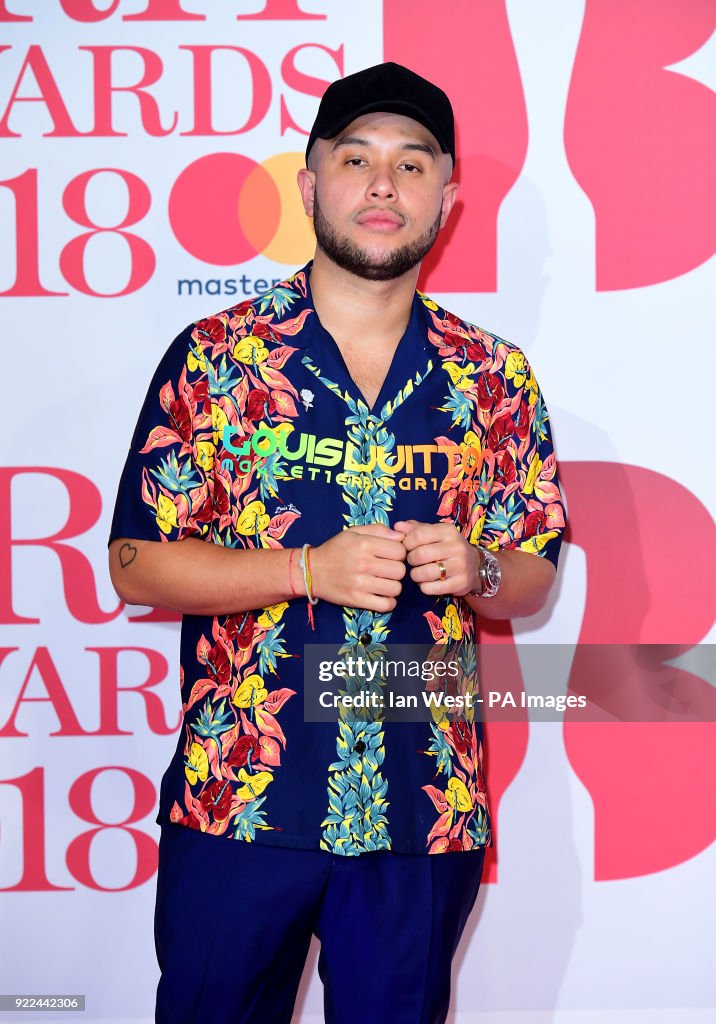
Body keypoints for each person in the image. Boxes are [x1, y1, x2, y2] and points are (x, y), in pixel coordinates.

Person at [109, 61, 566, 1024]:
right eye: (355, 160)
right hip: (241, 792)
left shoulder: (494, 376)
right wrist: (307, 570)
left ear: (447, 198)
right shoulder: (220, 356)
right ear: (312, 186)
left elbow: (532, 573)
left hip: (423, 803)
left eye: (411, 165)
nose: (382, 186)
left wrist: (479, 567)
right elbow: (136, 562)